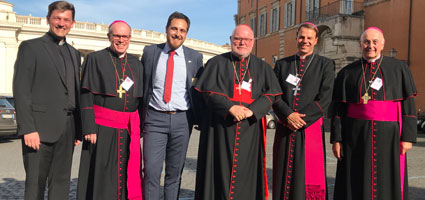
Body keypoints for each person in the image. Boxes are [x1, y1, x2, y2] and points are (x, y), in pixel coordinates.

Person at [194, 24, 282, 200]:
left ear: (253, 42)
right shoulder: (216, 63)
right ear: (231, 40)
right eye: (238, 39)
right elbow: (206, 92)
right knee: (217, 174)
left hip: (250, 130)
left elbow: (271, 95)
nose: (242, 43)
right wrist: (229, 107)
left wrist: (252, 111)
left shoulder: (262, 67)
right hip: (219, 129)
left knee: (246, 174)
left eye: (247, 39)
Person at [331, 27, 417, 200]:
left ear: (382, 44)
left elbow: (408, 104)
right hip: (355, 135)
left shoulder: (399, 68)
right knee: (355, 178)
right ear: (360, 44)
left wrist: (407, 137)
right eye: (366, 42)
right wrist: (337, 139)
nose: (370, 46)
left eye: (375, 42)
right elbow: (338, 110)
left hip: (389, 135)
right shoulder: (347, 72)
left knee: (387, 179)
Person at [12, 1, 81, 199]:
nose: (61, 23)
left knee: (61, 184)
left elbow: (73, 92)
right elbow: (21, 89)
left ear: (72, 23)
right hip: (38, 131)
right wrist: (28, 128)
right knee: (35, 185)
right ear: (48, 19)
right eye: (57, 18)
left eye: (66, 20)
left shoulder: (75, 54)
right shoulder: (30, 48)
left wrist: (78, 127)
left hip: (67, 130)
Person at [76, 20, 143, 200]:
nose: (121, 40)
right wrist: (89, 127)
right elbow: (86, 94)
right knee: (102, 175)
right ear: (109, 37)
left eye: (125, 36)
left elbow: (141, 99)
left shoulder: (136, 64)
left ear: (130, 38)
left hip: (128, 130)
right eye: (117, 36)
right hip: (101, 128)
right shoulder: (95, 59)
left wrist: (140, 127)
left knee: (125, 174)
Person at [140, 12, 203, 200]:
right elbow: (143, 82)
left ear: (187, 33)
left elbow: (201, 90)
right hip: (154, 118)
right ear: (167, 29)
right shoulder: (150, 52)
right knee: (151, 172)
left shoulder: (195, 57)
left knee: (174, 174)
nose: (178, 33)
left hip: (182, 120)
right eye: (174, 28)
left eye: (182, 30)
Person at [272, 22, 335, 199]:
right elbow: (274, 94)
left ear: (316, 40)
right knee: (283, 171)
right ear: (296, 38)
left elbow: (325, 97)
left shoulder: (325, 64)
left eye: (309, 38)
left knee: (307, 172)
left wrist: (300, 119)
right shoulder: (282, 65)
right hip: (285, 125)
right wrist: (288, 115)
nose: (304, 41)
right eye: (301, 37)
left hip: (310, 126)